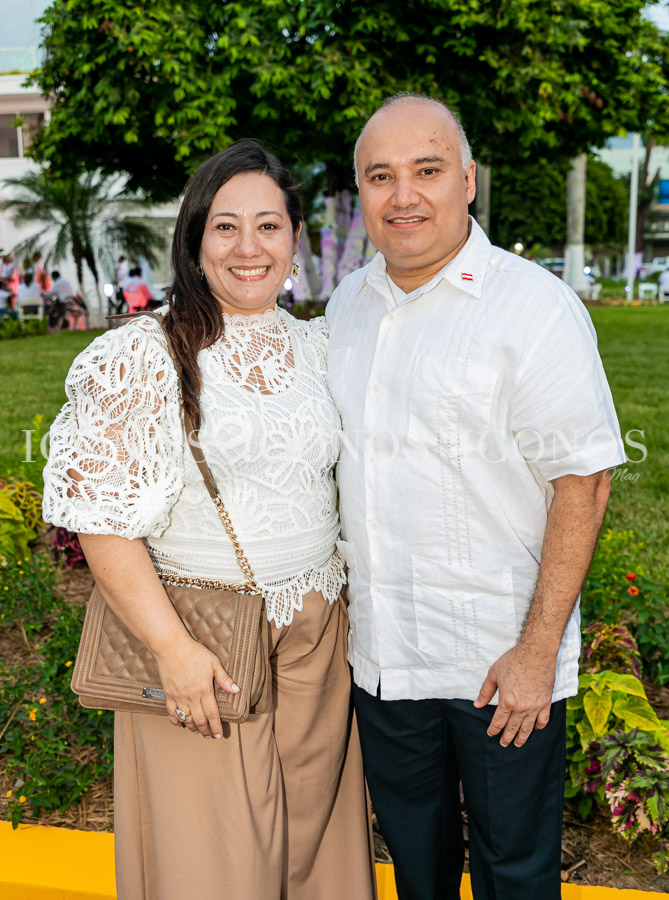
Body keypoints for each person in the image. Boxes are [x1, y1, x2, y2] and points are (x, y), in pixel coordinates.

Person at [42, 139, 377, 900]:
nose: (248, 247)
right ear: (194, 239)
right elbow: (102, 521)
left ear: (296, 238)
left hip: (317, 643)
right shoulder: (141, 355)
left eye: (269, 225)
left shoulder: (318, 345)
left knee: (315, 859)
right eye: (225, 227)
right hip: (204, 642)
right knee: (214, 868)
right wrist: (172, 650)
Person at [326, 93, 625, 900]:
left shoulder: (531, 308)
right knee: (417, 872)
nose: (404, 195)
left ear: (465, 180)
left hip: (498, 665)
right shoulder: (346, 306)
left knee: (514, 874)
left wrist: (536, 653)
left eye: (426, 170)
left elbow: (583, 479)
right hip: (384, 663)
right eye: (380, 176)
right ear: (361, 193)